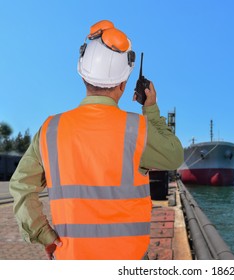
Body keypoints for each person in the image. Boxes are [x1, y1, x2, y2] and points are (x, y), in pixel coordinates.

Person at [9, 20, 184, 260]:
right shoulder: (138, 129)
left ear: (83, 77)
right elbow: (174, 155)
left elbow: (20, 186)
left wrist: (44, 235)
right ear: (123, 84)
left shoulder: (50, 129)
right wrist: (151, 109)